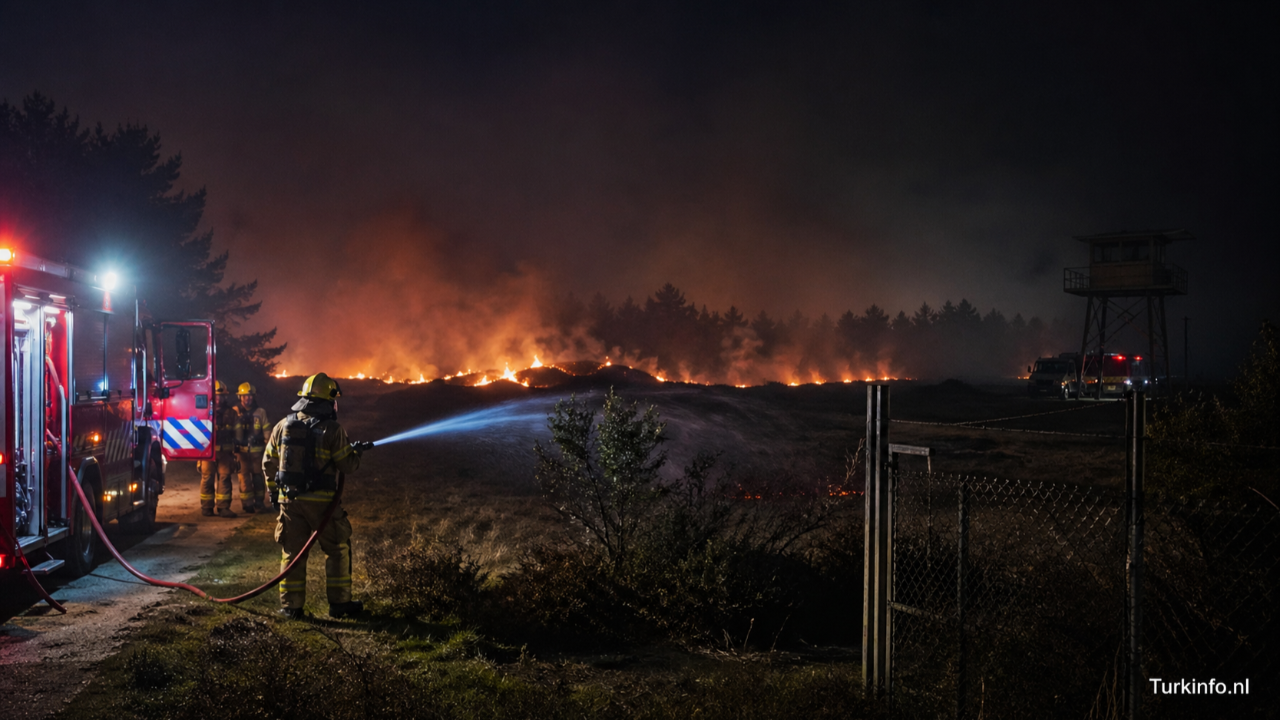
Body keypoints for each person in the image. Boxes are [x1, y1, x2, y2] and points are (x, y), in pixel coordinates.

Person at [262, 372, 364, 620]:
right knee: (337, 548)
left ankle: (291, 607)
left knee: (292, 553)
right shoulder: (332, 429)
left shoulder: (282, 426)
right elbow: (347, 466)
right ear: (328, 401)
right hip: (322, 504)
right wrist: (355, 453)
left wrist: (274, 493)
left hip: (290, 501)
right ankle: (340, 604)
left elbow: (268, 462)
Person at [198, 381, 238, 518]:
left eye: (221, 396)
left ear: (225, 397)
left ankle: (223, 507)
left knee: (225, 478)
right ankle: (206, 507)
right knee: (207, 478)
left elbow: (237, 434)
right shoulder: (203, 412)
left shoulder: (232, 413)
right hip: (207, 452)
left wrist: (237, 449)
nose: (219, 399)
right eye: (216, 396)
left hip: (225, 452)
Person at [233, 382, 271, 514]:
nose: (248, 398)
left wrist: (268, 447)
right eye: (245, 396)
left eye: (250, 396)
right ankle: (247, 504)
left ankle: (259, 502)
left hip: (257, 452)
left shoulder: (260, 412)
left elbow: (267, 430)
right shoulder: (234, 411)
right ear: (240, 397)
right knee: (244, 479)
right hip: (241, 453)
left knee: (258, 478)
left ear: (254, 397)